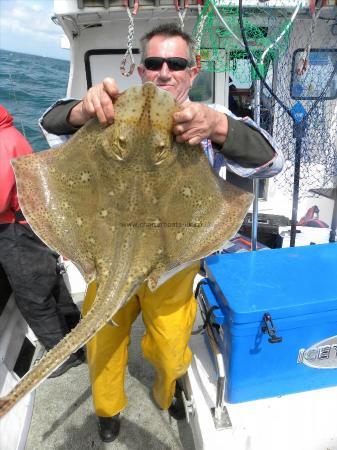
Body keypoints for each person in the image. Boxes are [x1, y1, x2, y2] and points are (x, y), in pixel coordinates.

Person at [40, 23, 284, 442]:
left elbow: (270, 162)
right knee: (102, 343)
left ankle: (165, 386)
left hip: (172, 265)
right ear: (141, 69)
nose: (164, 72)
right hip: (107, 257)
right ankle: (108, 410)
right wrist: (82, 110)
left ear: (193, 70)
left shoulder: (210, 121)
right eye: (154, 63)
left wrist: (219, 129)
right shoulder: (110, 114)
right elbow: (49, 123)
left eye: (176, 63)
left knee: (172, 353)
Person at [0, 104, 85, 378]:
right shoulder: (11, 135)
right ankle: (77, 333)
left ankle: (63, 355)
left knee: (33, 296)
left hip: (14, 231)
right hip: (31, 223)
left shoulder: (2, 142)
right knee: (50, 281)